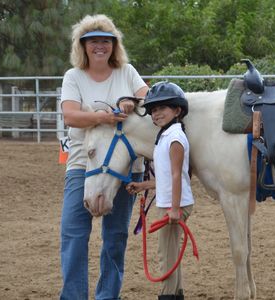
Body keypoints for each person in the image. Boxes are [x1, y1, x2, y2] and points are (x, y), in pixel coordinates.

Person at [59, 14, 148, 300]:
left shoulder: (127, 72)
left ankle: (108, 295)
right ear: (82, 46)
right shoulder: (74, 77)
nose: (100, 46)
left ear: (114, 44)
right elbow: (70, 115)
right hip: (83, 163)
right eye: (93, 41)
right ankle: (73, 296)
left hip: (125, 165)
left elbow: (149, 98)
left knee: (115, 236)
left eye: (105, 41)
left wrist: (130, 101)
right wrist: (101, 117)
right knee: (73, 233)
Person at [127, 81, 194, 300]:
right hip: (171, 202)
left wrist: (174, 209)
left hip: (173, 205)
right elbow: (166, 178)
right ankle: (177, 294)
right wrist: (143, 186)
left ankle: (168, 296)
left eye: (161, 109)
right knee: (171, 253)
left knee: (166, 255)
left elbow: (176, 176)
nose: (156, 114)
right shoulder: (166, 136)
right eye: (153, 110)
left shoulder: (174, 138)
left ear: (177, 110)